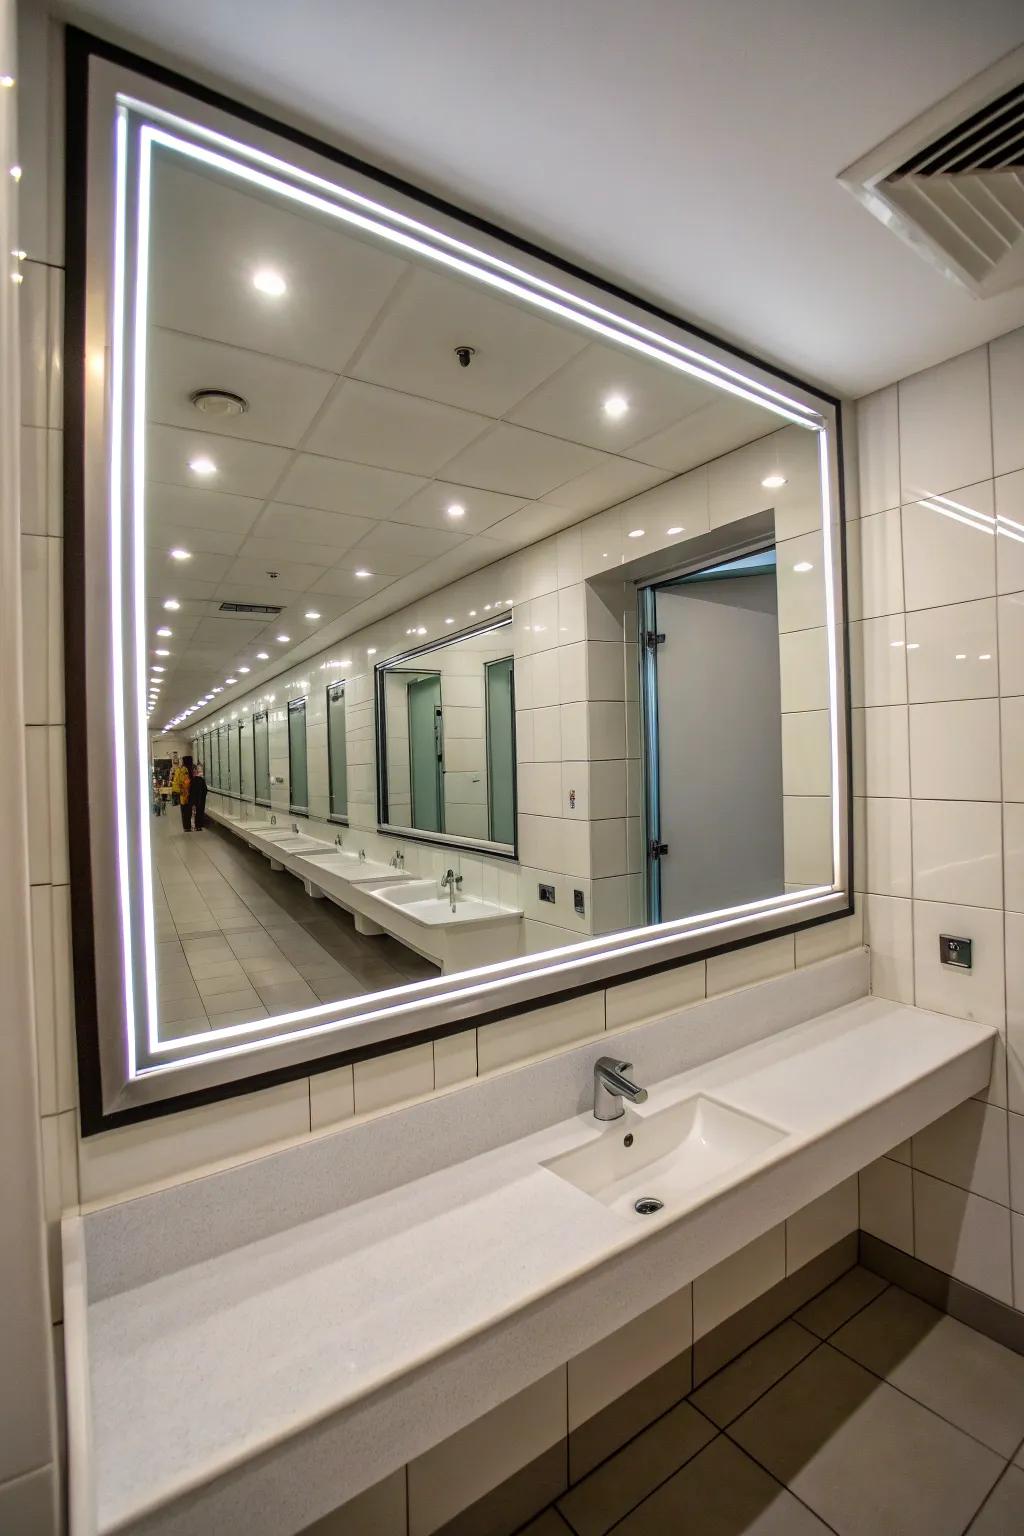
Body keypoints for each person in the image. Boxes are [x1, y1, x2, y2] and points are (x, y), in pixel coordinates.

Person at [171, 755, 192, 831]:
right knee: (187, 810)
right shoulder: (185, 769)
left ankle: (186, 827)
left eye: (182, 760)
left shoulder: (182, 769)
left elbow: (180, 781)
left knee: (185, 810)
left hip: (184, 793)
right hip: (186, 793)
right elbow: (185, 781)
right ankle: (187, 826)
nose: (181, 762)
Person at [189, 761, 208, 831]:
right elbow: (205, 790)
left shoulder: (192, 781)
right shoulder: (201, 780)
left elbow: (190, 791)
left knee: (194, 812)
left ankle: (194, 825)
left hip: (194, 800)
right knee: (199, 812)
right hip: (200, 800)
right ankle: (198, 825)